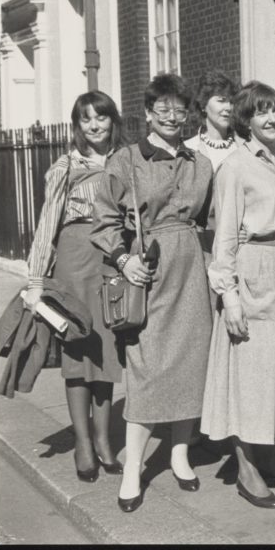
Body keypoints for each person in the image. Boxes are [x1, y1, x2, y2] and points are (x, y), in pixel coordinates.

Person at [91, 74, 215, 512]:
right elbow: (103, 218)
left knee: (191, 363)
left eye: (180, 109)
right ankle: (133, 469)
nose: (171, 117)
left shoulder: (201, 163)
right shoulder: (126, 160)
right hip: (148, 271)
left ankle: (180, 453)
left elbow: (213, 220)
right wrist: (124, 261)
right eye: (162, 109)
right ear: (147, 113)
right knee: (147, 370)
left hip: (192, 272)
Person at [200, 80, 275, 509]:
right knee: (250, 376)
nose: (273, 119)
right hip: (255, 274)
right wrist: (229, 295)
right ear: (246, 120)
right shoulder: (235, 166)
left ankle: (272, 458)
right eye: (262, 112)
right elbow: (225, 238)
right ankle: (246, 468)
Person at [23, 91, 125, 484]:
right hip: (74, 260)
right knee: (78, 352)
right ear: (77, 125)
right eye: (86, 119)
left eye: (100, 117)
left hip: (111, 260)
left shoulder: (125, 160)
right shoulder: (66, 166)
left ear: (112, 119)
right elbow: (48, 222)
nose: (94, 125)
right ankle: (83, 443)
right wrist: (35, 281)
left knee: (107, 353)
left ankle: (103, 440)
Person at [184, 70, 238, 173]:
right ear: (203, 105)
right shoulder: (189, 149)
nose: (228, 107)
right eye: (221, 100)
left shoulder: (242, 146)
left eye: (231, 102)